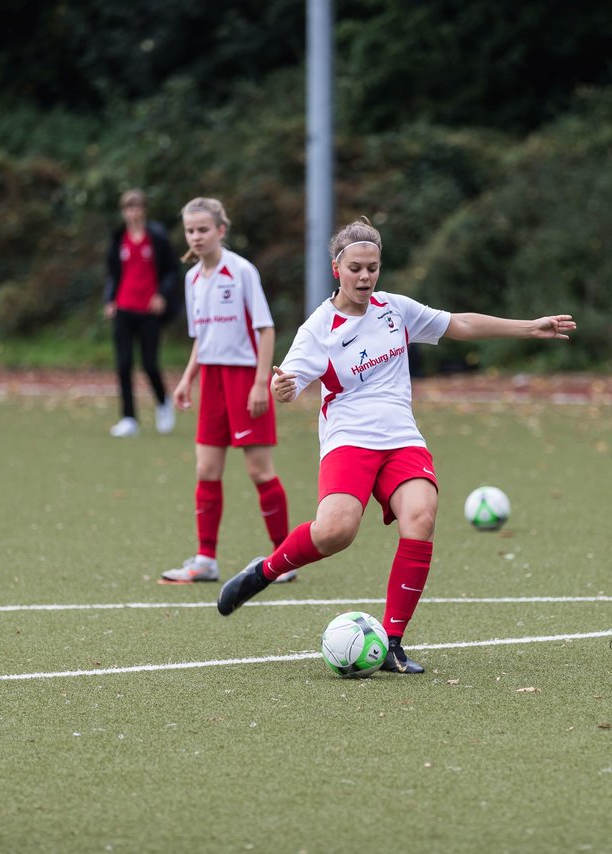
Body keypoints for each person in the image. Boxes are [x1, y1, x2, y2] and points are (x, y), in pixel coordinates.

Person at [216, 216, 576, 673]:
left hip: (402, 438)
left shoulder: (396, 310)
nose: (366, 277)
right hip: (350, 441)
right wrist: (282, 390)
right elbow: (289, 380)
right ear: (336, 270)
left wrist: (530, 328)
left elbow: (459, 324)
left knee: (421, 518)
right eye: (356, 269)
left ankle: (391, 642)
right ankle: (263, 572)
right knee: (336, 532)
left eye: (373, 268)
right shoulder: (319, 329)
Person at [160, 198, 294, 584]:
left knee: (258, 469)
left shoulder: (242, 271)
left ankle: (285, 556)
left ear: (221, 230)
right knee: (206, 468)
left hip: (244, 378)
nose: (196, 236)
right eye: (190, 230)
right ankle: (205, 559)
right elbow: (202, 338)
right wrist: (188, 379)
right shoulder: (192, 279)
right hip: (213, 381)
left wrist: (258, 383)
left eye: (203, 229)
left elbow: (265, 329)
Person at [103, 188, 181, 438]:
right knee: (124, 364)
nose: (133, 213)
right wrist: (110, 299)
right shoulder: (119, 239)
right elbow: (113, 273)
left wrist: (161, 295)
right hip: (124, 308)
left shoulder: (156, 237)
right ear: (123, 212)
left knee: (149, 364)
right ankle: (128, 418)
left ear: (144, 210)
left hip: (149, 310)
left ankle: (163, 402)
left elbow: (171, 270)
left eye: (137, 207)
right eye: (128, 208)